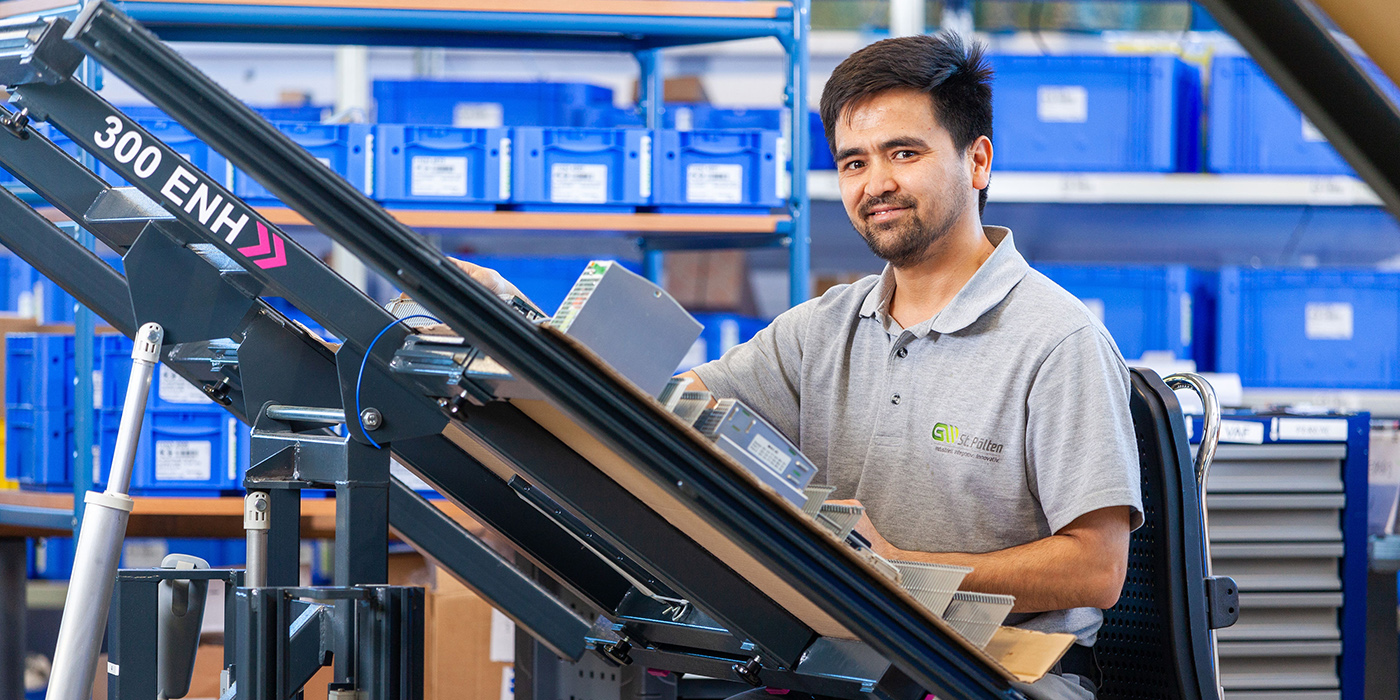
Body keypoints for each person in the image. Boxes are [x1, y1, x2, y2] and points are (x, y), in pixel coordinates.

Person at [453, 33, 1141, 700]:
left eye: (903, 152)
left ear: (978, 161)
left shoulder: (1057, 340)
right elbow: (668, 412)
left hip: (994, 675)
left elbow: (1096, 568)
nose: (877, 184)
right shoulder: (823, 328)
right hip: (844, 665)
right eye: (853, 162)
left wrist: (891, 574)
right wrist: (529, 350)